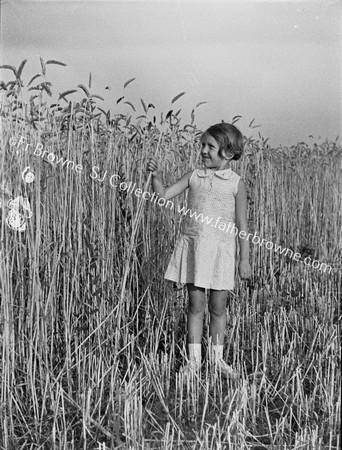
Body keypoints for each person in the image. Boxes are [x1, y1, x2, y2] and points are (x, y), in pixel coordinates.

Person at [147, 123, 251, 376]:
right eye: (202, 145)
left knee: (218, 307)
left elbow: (242, 224)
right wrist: (158, 179)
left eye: (210, 146)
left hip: (221, 253)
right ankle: (193, 362)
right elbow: (163, 197)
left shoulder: (236, 183)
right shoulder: (193, 176)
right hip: (194, 248)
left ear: (227, 153)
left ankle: (217, 360)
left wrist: (244, 259)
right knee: (195, 306)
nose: (203, 150)